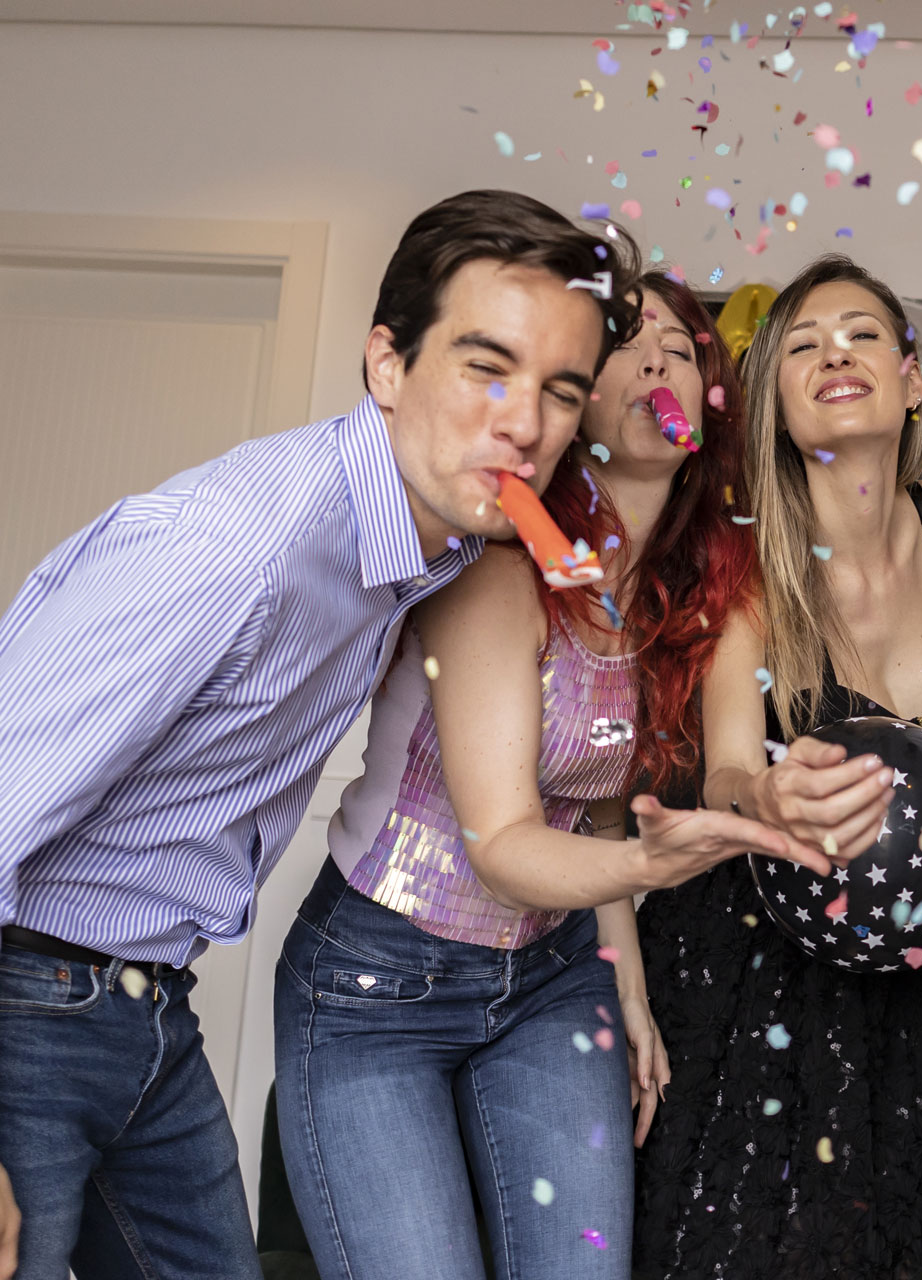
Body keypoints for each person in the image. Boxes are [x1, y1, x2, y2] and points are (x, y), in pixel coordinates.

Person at [0, 189, 804, 1280]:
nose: (524, 422)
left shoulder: (439, 542)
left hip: (149, 1002)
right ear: (387, 363)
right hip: (28, 999)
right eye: (486, 366)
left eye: (559, 390)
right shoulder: (233, 548)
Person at [270, 264, 784, 1279]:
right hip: (379, 977)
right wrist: (654, 865)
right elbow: (504, 846)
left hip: (552, 976)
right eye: (626, 346)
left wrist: (625, 983)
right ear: (575, 400)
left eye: (680, 349)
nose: (657, 364)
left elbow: (605, 814)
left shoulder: (692, 592)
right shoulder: (500, 565)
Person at [633, 255, 922, 1280]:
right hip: (750, 977)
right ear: (772, 404)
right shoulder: (743, 558)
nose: (836, 353)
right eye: (803, 345)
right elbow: (728, 772)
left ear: (911, 381)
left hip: (905, 994)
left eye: (863, 333)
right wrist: (767, 795)